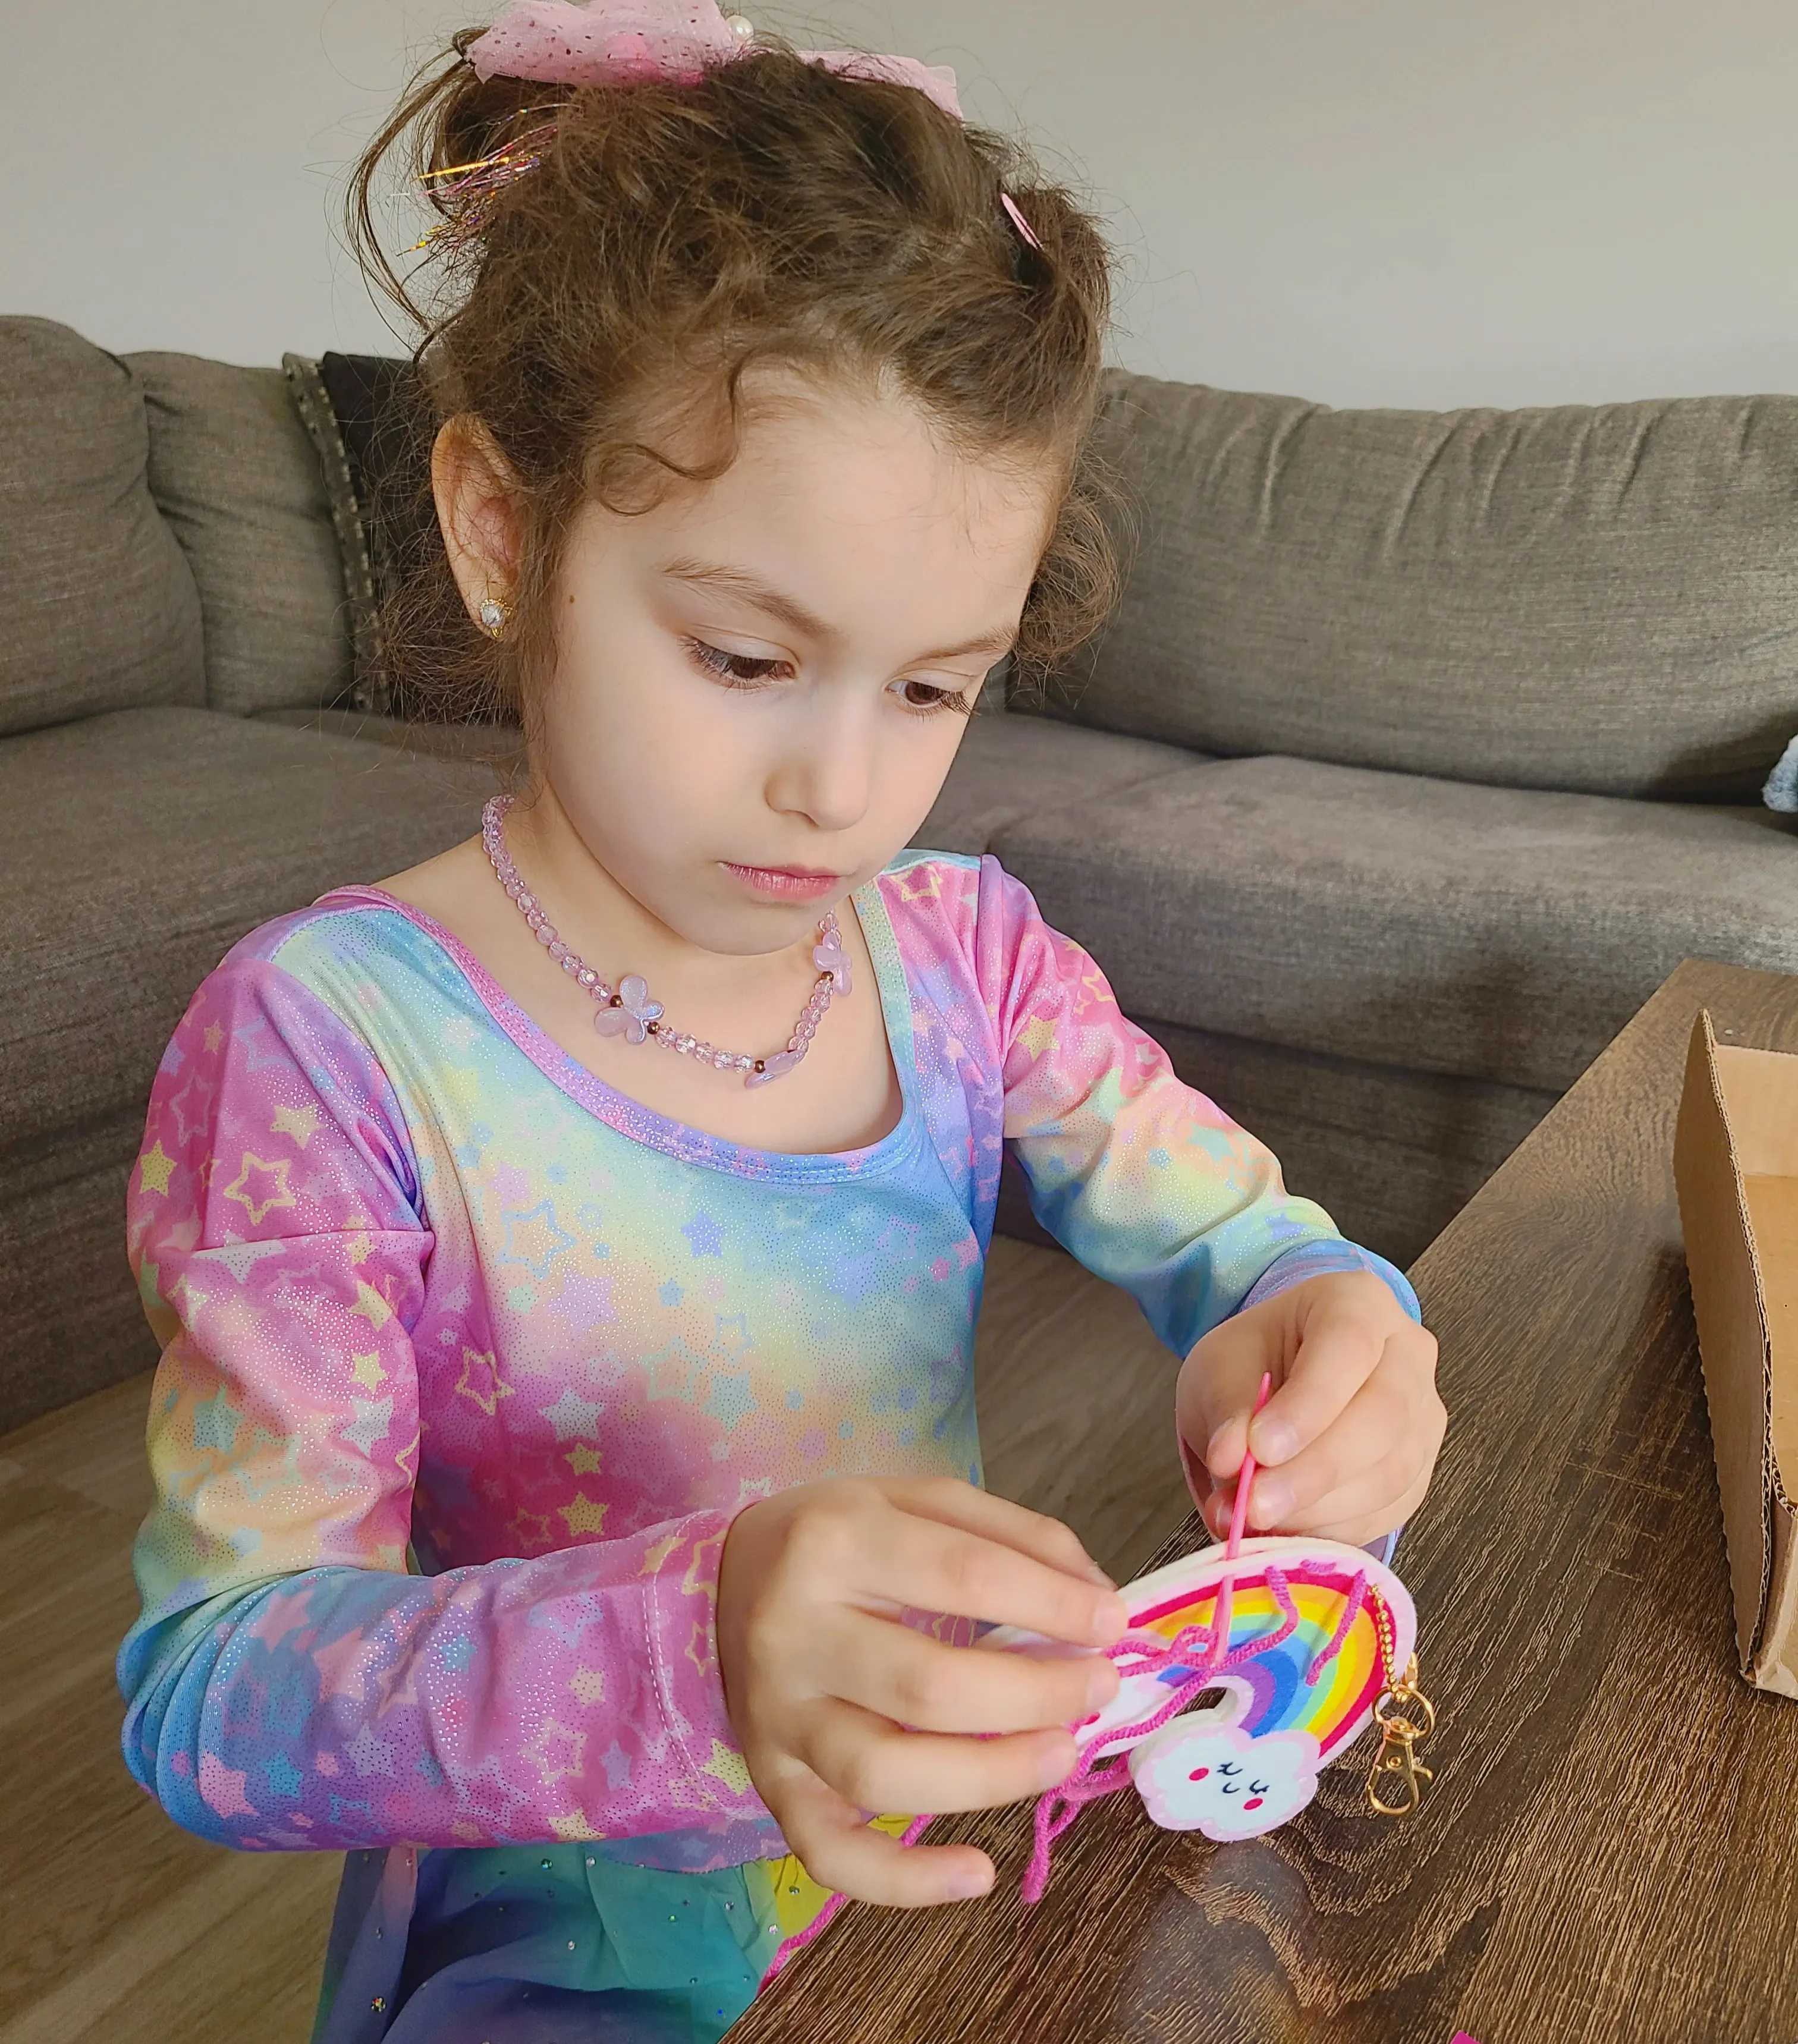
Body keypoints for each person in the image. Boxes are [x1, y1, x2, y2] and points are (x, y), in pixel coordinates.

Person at [116, 5, 1446, 2038]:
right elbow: (215, 1693)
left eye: (934, 688)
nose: (847, 789)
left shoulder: (969, 958)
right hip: (573, 1959)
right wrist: (690, 1641)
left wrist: (1329, 1325)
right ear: (502, 532)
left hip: (975, 1885)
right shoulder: (336, 1048)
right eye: (748, 655)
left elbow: (1242, 1242)